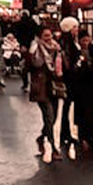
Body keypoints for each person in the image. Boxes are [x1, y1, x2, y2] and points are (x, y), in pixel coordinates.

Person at [27, 24, 67, 163]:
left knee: (54, 116)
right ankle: (54, 147)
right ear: (39, 37)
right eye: (45, 36)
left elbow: (62, 66)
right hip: (41, 86)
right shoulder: (36, 48)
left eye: (50, 35)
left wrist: (59, 54)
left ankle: (41, 137)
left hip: (54, 85)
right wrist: (32, 53)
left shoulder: (56, 47)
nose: (49, 39)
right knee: (49, 116)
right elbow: (33, 64)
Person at [55, 17, 81, 158]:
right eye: (75, 27)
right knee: (66, 106)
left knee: (66, 106)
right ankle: (65, 133)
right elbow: (70, 61)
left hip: (69, 78)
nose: (77, 30)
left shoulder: (66, 42)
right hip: (69, 79)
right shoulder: (68, 43)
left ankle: (65, 132)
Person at [12, 10, 40, 92]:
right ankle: (32, 83)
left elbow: (17, 34)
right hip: (32, 46)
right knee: (32, 65)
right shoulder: (33, 23)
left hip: (24, 47)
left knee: (24, 66)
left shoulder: (20, 24)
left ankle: (25, 84)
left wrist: (22, 44)